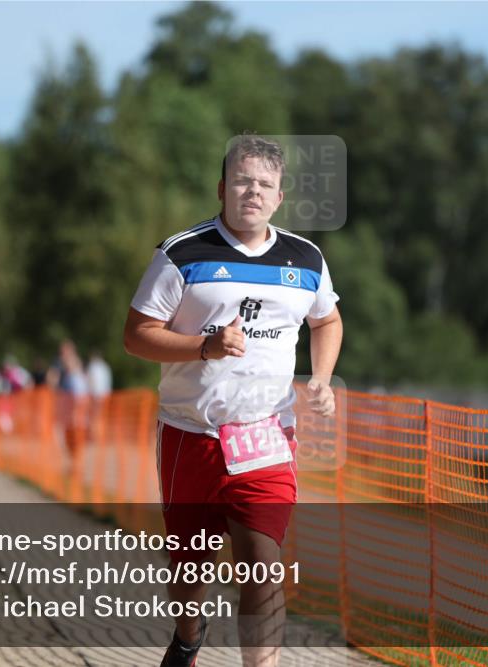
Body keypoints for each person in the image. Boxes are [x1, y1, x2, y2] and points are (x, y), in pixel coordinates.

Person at [123, 134, 342, 667]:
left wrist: (321, 378)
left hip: (266, 436)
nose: (253, 191)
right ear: (222, 188)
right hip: (190, 434)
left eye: (265, 184)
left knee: (262, 566)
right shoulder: (182, 253)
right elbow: (135, 335)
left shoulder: (306, 258)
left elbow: (327, 320)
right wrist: (205, 346)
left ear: (279, 197)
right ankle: (189, 634)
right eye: (243, 181)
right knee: (190, 572)